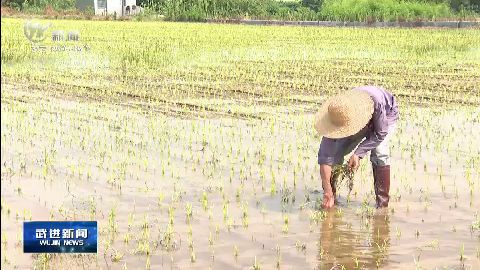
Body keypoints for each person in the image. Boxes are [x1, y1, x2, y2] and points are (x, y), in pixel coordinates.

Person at [314, 86, 399, 209]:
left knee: (380, 153)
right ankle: (332, 198)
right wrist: (327, 191)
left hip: (385, 114)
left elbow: (380, 133)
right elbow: (325, 159)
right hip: (355, 117)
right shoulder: (335, 115)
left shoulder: (376, 102)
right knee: (336, 152)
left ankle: (382, 205)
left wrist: (358, 153)